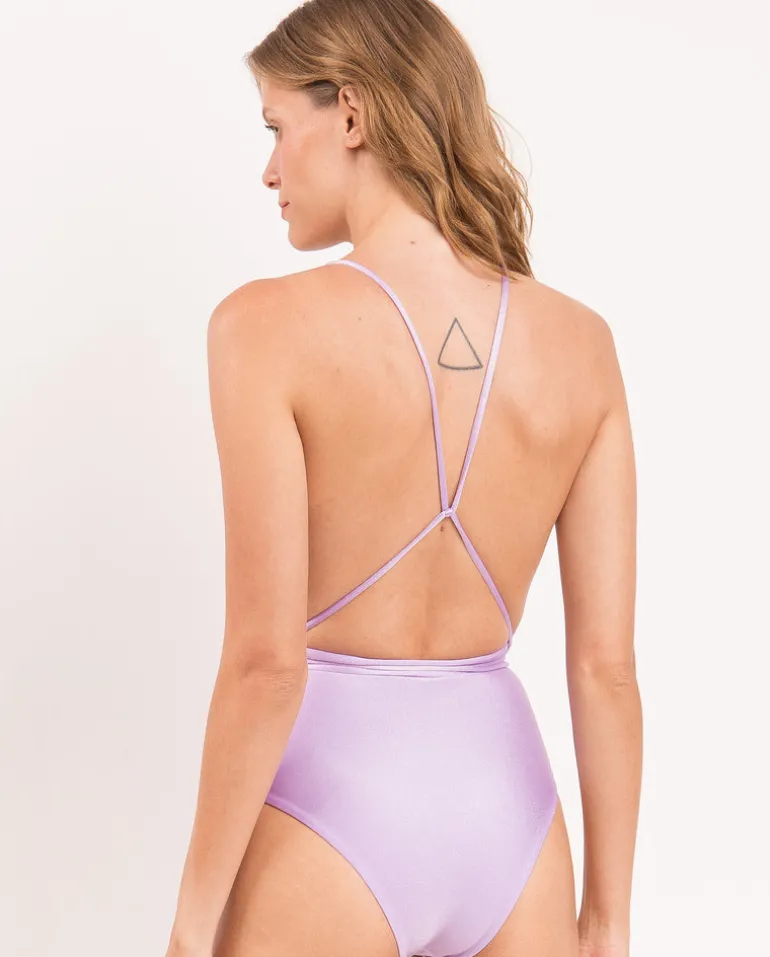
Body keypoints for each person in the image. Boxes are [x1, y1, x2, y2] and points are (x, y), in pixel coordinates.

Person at [165, 2, 642, 956]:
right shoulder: (582, 346)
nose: (269, 169)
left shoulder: (262, 328)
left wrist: (189, 928)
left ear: (350, 113)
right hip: (513, 820)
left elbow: (266, 665)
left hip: (330, 813)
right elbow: (606, 668)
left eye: (276, 127)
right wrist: (607, 917)